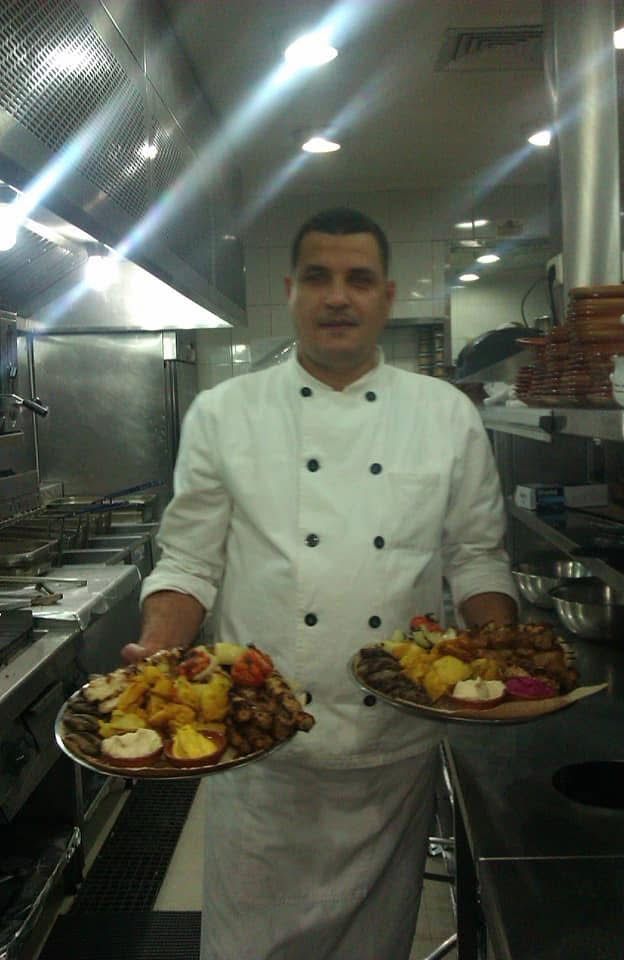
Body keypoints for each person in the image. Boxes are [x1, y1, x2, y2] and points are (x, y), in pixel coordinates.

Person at [122, 207, 518, 960]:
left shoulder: (444, 415)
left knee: (372, 943)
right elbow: (190, 563)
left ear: (386, 296)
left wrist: (500, 656)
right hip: (262, 747)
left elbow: (476, 557)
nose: (338, 296)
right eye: (318, 278)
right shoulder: (222, 413)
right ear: (292, 291)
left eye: (358, 279)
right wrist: (157, 653)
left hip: (391, 746)